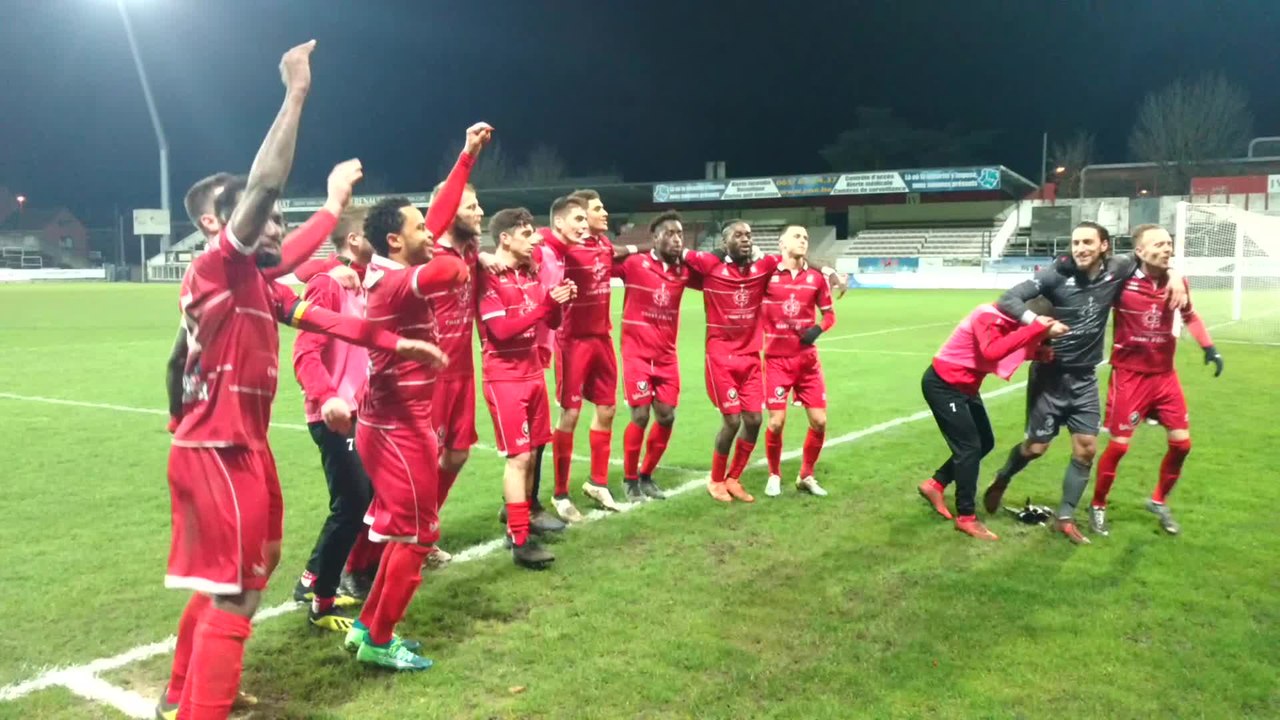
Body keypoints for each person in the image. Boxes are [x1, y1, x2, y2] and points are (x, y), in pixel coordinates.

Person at [162, 37, 449, 718]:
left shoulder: (255, 285)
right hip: (219, 452)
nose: (272, 224)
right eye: (259, 217)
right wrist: (295, 96)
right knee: (237, 594)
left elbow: (324, 319)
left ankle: (181, 692)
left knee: (235, 578)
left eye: (277, 220)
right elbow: (265, 190)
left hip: (241, 447)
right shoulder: (215, 267)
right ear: (216, 222)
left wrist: (398, 341)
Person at [342, 123, 490, 671]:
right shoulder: (397, 283)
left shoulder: (395, 266)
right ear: (394, 242)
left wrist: (466, 158)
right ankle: (380, 641)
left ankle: (367, 628)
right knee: (418, 534)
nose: (431, 230)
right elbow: (449, 266)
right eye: (419, 227)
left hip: (401, 423)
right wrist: (451, 250)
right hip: (392, 429)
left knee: (409, 533)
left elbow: (439, 228)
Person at [986, 221, 1186, 544]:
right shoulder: (1055, 275)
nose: (1080, 248)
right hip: (1049, 377)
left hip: (1085, 378)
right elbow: (1008, 299)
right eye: (1076, 242)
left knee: (1086, 449)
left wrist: (1174, 274)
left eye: (1087, 242)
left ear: (1104, 246)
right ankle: (1003, 476)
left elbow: (1152, 259)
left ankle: (1065, 518)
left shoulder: (1119, 268)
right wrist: (1037, 322)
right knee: (1036, 448)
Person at [1088, 224, 1223, 536]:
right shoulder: (1121, 282)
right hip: (1129, 376)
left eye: (1169, 243)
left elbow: (1189, 315)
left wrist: (1209, 348)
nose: (1167, 249)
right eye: (1159, 244)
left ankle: (1158, 501)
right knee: (1119, 447)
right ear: (1140, 251)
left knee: (1182, 444)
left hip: (1164, 376)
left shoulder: (1178, 282)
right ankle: (1098, 505)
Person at [289, 207, 377, 630]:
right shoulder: (329, 284)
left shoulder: (362, 281)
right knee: (353, 503)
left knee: (358, 501)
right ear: (355, 238)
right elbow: (305, 352)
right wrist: (326, 397)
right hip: (334, 414)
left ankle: (312, 580)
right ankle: (322, 599)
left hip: (359, 412)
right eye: (375, 231)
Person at [477, 207, 577, 568]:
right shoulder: (488, 278)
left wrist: (560, 301)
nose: (535, 239)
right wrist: (545, 305)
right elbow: (501, 331)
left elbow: (552, 321)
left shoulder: (530, 273)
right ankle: (520, 541)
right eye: (526, 233)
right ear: (504, 238)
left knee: (533, 454)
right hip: (504, 377)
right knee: (518, 457)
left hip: (533, 373)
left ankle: (520, 523)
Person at [917, 298, 1067, 539]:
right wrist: (1036, 330)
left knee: (985, 442)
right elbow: (992, 351)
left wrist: (1036, 353)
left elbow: (1006, 349)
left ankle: (935, 484)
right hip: (944, 385)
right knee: (969, 448)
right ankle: (966, 517)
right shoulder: (986, 315)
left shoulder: (1008, 323)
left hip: (965, 386)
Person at [615, 210, 690, 501]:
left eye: (680, 233)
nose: (677, 239)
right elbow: (602, 258)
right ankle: (630, 479)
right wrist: (636, 247)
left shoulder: (685, 271)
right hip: (636, 354)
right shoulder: (635, 263)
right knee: (641, 414)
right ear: (655, 238)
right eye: (669, 233)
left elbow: (715, 269)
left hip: (667, 356)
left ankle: (646, 475)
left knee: (667, 416)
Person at [760, 225, 837, 498]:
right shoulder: (766, 275)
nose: (803, 240)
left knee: (819, 421)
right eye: (797, 236)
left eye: (806, 237)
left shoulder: (815, 279)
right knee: (776, 423)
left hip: (807, 363)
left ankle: (806, 475)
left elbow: (830, 315)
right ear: (781, 243)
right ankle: (774, 475)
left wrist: (817, 330)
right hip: (777, 361)